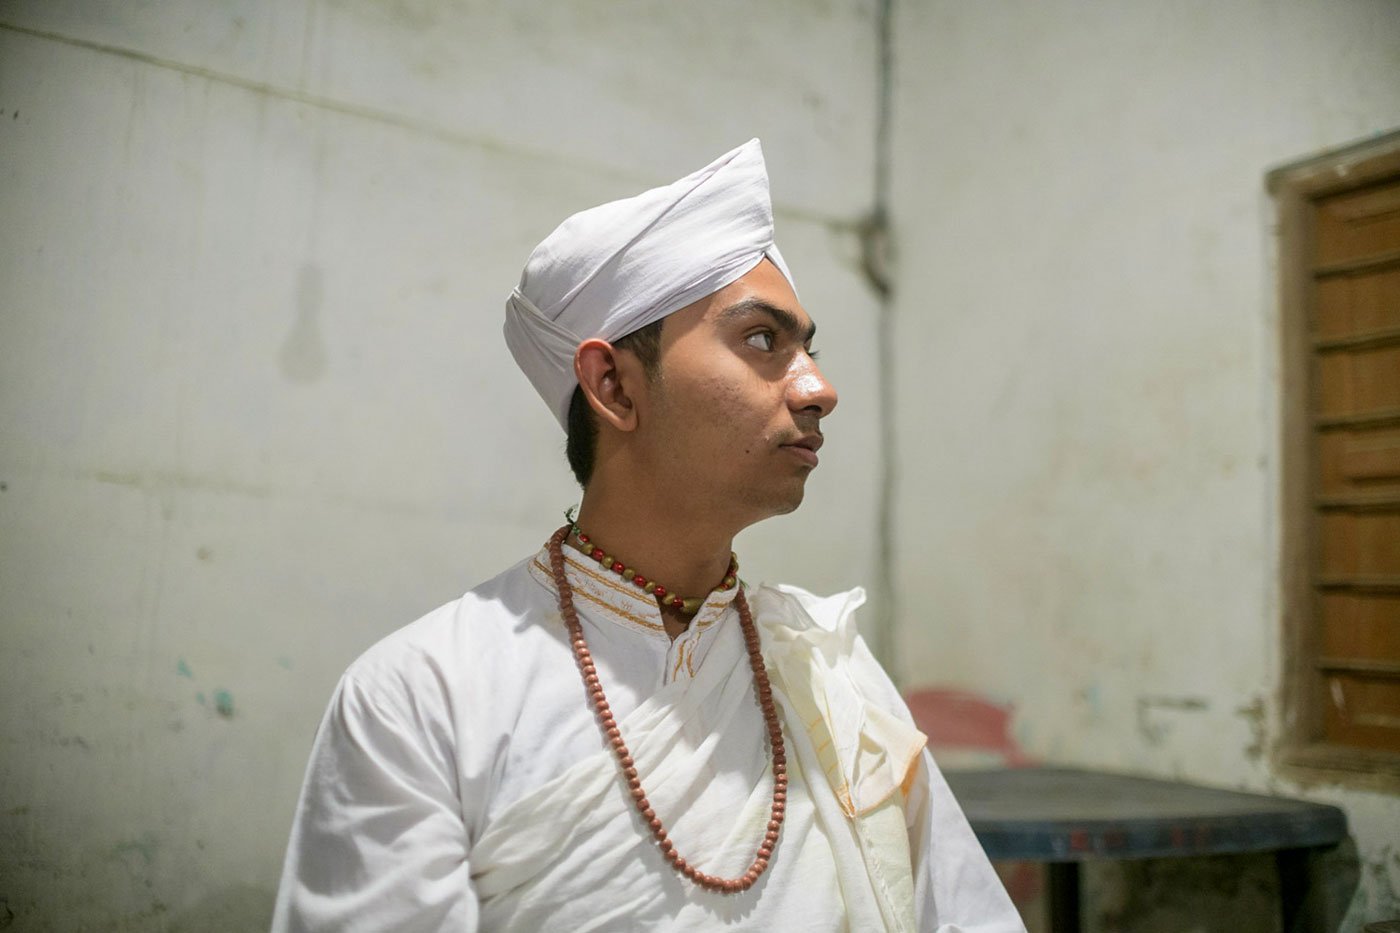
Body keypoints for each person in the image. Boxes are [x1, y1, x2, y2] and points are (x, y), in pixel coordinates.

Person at [272, 140, 1024, 932]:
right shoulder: (423, 697)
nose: (819, 388)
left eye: (809, 348)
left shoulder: (829, 674)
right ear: (613, 385)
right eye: (764, 340)